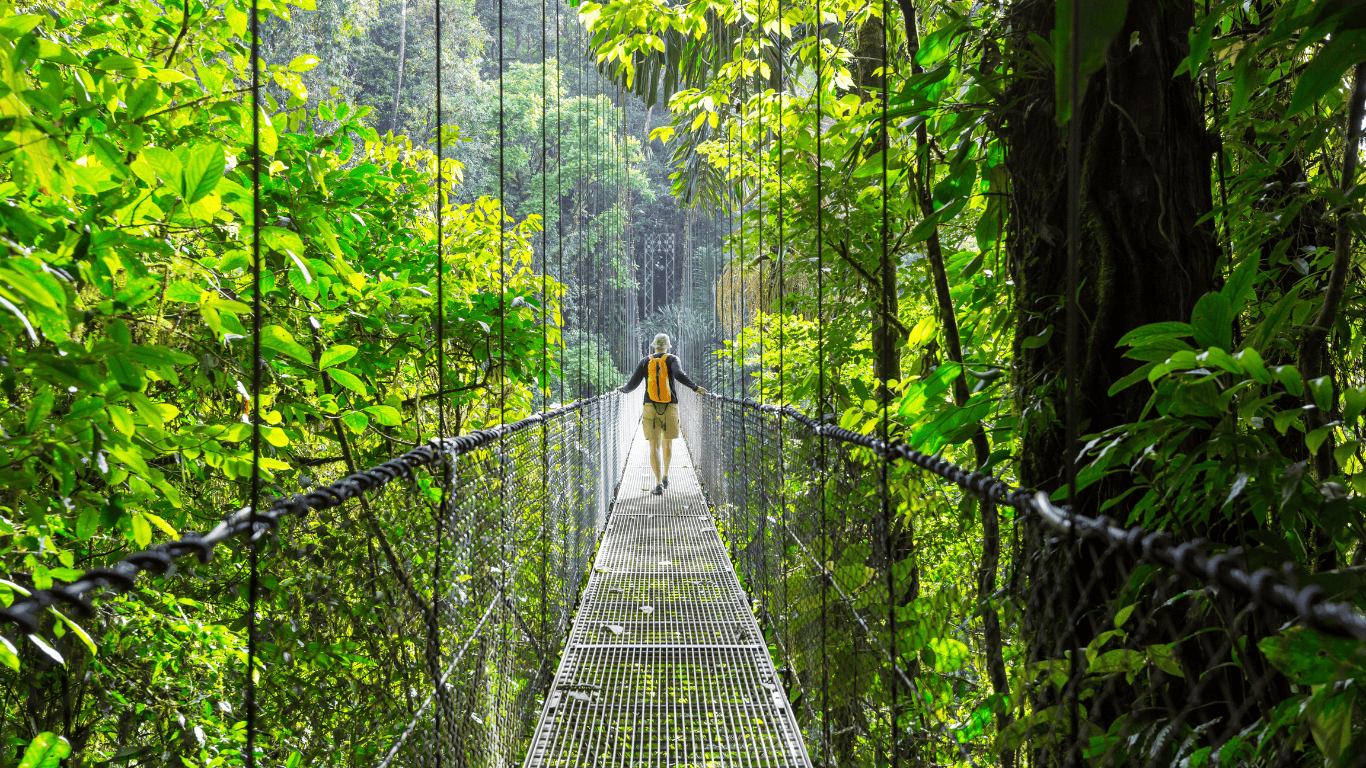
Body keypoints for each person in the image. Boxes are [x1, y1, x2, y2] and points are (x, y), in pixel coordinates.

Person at [618, 333, 706, 496]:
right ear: (667, 346)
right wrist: (694, 387)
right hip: (670, 406)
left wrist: (622, 390)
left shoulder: (645, 361)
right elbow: (679, 375)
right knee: (668, 443)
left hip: (650, 406)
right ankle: (666, 476)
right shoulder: (672, 359)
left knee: (654, 446)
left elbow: (633, 383)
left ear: (654, 346)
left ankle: (658, 483)